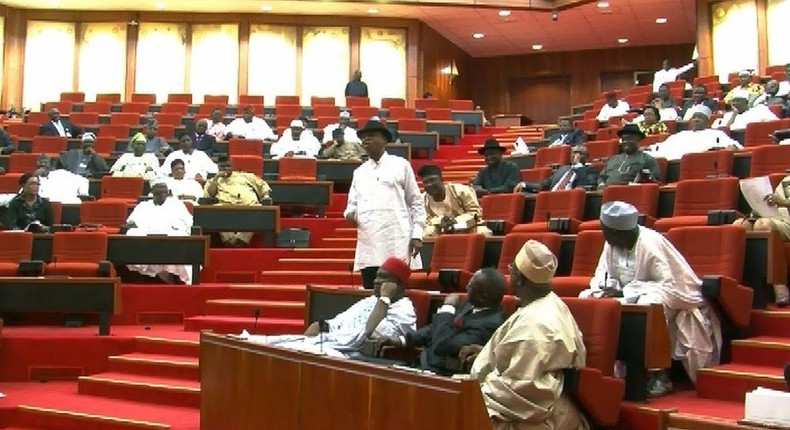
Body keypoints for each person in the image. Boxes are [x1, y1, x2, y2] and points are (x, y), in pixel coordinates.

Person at [579, 201, 722, 395]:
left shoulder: (650, 243)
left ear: (618, 232)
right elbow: (602, 275)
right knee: (586, 297)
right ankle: (598, 367)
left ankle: (658, 375)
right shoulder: (611, 243)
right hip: (629, 294)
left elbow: (670, 284)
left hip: (668, 296)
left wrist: (625, 293)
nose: (604, 235)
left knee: (648, 304)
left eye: (606, 231)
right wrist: (604, 289)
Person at [471, 240, 588, 430]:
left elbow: (520, 390)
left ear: (518, 278)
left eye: (511, 269)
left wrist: (470, 395)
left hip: (535, 418)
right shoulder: (549, 303)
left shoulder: (536, 326)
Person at [236, 257, 417, 358]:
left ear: (399, 285)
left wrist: (385, 298)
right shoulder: (369, 301)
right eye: (377, 277)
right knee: (262, 343)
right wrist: (323, 325)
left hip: (353, 355)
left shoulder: (405, 310)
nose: (376, 282)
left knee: (295, 352)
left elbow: (369, 332)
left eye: (384, 278)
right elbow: (337, 322)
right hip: (331, 342)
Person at [377, 268, 506, 375]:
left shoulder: (490, 324)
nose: (466, 287)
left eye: (471, 286)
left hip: (440, 375)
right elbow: (436, 328)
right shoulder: (470, 304)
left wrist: (447, 308)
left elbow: (442, 345)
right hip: (420, 365)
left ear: (483, 297)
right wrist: (402, 340)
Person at [344, 120, 425, 289]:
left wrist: (417, 234)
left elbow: (415, 201)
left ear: (384, 140)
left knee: (397, 292)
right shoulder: (359, 172)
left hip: (396, 238)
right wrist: (350, 214)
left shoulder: (401, 165)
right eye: (363, 137)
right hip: (369, 240)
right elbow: (351, 205)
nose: (366, 140)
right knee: (370, 291)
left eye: (371, 136)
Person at [732, 178, 790, 306]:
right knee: (740, 226)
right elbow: (777, 210)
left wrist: (784, 203)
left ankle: (779, 285)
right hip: (780, 220)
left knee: (764, 225)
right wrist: (760, 209)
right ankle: (743, 287)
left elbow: (783, 204)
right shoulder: (785, 181)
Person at [124, 182, 195, 284]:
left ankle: (170, 277)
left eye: (163, 193)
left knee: (178, 237)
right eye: (158, 193)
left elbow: (187, 223)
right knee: (132, 234)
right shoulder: (143, 206)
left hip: (169, 234)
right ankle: (150, 275)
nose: (161, 195)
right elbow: (131, 222)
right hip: (147, 235)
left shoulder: (176, 204)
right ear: (152, 193)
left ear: (167, 193)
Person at [204, 158, 272, 246]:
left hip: (249, 205)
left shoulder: (246, 176)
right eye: (222, 166)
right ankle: (229, 239)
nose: (225, 168)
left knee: (259, 210)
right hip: (226, 207)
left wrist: (266, 196)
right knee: (214, 210)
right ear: (218, 167)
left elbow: (263, 185)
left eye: (228, 166)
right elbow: (210, 194)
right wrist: (216, 178)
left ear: (232, 166)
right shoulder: (214, 180)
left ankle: (240, 240)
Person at [418, 164, 491, 238]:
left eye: (432, 180)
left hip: (468, 226)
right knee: (427, 232)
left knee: (483, 232)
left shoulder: (462, 190)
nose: (429, 185)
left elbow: (475, 213)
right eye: (425, 182)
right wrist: (440, 221)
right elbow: (425, 220)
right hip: (441, 229)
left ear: (441, 179)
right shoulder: (422, 199)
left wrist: (454, 221)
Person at [645, 109, 742, 161]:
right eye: (694, 117)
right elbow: (660, 147)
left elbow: (734, 146)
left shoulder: (716, 134)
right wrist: (646, 148)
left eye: (700, 117)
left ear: (707, 122)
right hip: (676, 164)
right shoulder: (681, 134)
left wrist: (731, 147)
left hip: (701, 163)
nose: (696, 119)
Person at [515, 145, 599, 193]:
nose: (576, 156)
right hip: (550, 197)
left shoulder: (590, 170)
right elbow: (543, 185)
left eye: (580, 153)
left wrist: (579, 166)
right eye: (573, 153)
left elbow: (589, 185)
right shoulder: (562, 169)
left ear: (587, 157)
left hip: (568, 197)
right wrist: (524, 184)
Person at [712, 96, 778, 131]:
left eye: (738, 101)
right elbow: (724, 131)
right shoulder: (728, 115)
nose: (735, 103)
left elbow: (775, 123)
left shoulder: (759, 109)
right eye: (733, 101)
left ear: (746, 102)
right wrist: (734, 115)